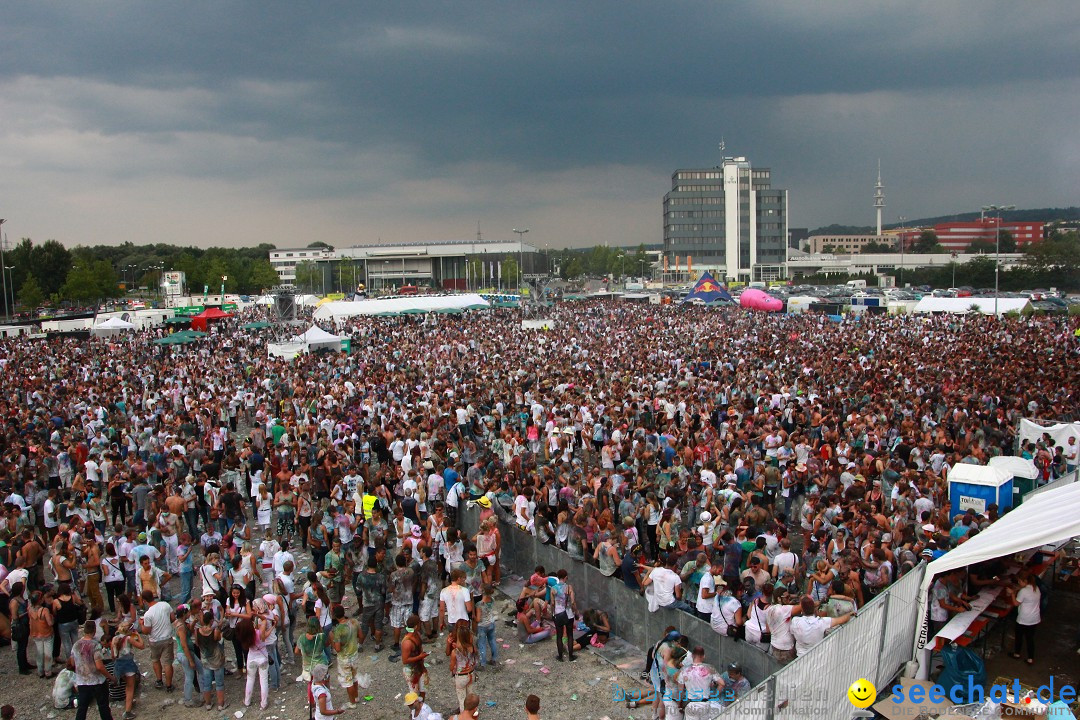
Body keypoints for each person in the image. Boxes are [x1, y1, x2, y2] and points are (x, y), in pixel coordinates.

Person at [70, 620, 117, 720]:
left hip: (82, 681)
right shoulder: (95, 645)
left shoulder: (76, 645)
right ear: (94, 630)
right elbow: (99, 666)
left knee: (82, 708)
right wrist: (111, 677)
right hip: (97, 681)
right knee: (103, 707)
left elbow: (72, 663)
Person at [137, 589, 175, 691]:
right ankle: (169, 685)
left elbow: (146, 631)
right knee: (167, 663)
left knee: (156, 660)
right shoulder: (165, 605)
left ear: (144, 601)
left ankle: (159, 680)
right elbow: (172, 618)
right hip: (167, 638)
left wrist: (141, 624)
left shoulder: (148, 614)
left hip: (154, 640)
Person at [110, 620, 144, 720]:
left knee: (126, 686)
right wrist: (138, 635)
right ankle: (128, 712)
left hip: (118, 665)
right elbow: (142, 646)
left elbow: (113, 655)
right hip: (128, 665)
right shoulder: (128, 638)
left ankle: (128, 702)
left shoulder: (114, 638)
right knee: (130, 687)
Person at [329, 605, 362, 708]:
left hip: (344, 658)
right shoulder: (354, 622)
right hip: (354, 654)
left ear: (335, 615)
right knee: (354, 677)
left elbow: (337, 649)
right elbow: (361, 636)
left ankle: (352, 703)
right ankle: (356, 697)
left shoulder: (338, 630)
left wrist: (331, 639)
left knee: (348, 681)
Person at [1007, 572, 1041, 664]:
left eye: (1019, 581)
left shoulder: (1024, 591)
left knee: (1019, 637)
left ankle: (1017, 653)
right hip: (1034, 618)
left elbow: (1015, 603)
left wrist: (1012, 593)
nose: (1018, 583)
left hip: (1024, 618)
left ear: (1025, 581)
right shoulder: (1036, 588)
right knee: (1030, 638)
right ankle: (1030, 658)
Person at [446, 621, 479, 713]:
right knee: (471, 696)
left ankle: (464, 716)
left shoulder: (455, 652)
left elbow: (451, 667)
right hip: (471, 674)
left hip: (461, 676)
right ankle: (474, 713)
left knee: (462, 700)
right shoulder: (472, 647)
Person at [549, 569, 578, 662]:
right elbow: (573, 602)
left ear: (557, 577)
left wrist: (552, 614)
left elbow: (552, 603)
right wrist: (576, 612)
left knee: (559, 635)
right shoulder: (569, 587)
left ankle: (560, 656)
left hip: (558, 613)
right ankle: (571, 656)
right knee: (570, 635)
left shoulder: (553, 588)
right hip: (568, 614)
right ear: (566, 577)